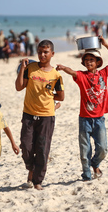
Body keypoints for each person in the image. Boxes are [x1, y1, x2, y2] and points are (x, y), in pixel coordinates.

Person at [56, 36, 108, 181]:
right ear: (84, 63)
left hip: (99, 119)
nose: (89, 62)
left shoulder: (104, 73)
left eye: (92, 60)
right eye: (86, 60)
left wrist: (106, 44)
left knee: (103, 149)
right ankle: (86, 174)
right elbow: (72, 71)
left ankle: (95, 163)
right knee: (85, 150)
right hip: (85, 119)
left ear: (98, 62)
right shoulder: (82, 76)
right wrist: (63, 67)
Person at [15, 40, 64, 190]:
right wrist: (22, 69)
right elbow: (19, 87)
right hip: (29, 115)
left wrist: (48, 98)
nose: (42, 55)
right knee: (26, 146)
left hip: (47, 117)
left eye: (46, 52)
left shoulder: (56, 75)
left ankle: (37, 181)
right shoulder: (30, 68)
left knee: (43, 150)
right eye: (40, 52)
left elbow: (60, 96)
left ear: (52, 54)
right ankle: (31, 168)